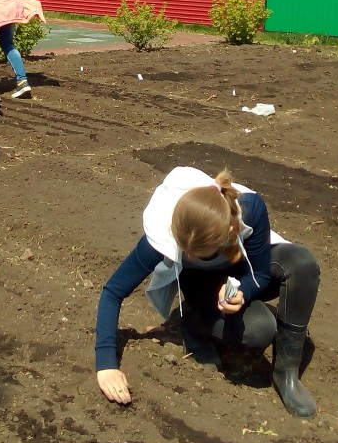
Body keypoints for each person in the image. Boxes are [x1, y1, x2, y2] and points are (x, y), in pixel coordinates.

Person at [94, 166, 321, 418]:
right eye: (185, 250)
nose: (189, 257)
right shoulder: (164, 230)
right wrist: (106, 365)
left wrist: (243, 291)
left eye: (198, 253)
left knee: (301, 263)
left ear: (229, 233)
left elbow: (260, 273)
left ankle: (286, 374)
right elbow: (113, 291)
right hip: (202, 286)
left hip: (241, 271)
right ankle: (194, 319)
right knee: (260, 330)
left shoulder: (249, 209)